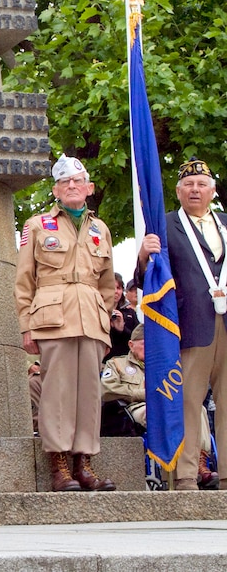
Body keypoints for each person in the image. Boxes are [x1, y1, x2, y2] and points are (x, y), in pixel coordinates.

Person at [15, 154, 117, 492]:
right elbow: (24, 280)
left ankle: (84, 462)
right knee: (56, 391)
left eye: (77, 181)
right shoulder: (38, 225)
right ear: (56, 191)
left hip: (90, 316)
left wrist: (103, 320)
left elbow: (106, 285)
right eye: (64, 183)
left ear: (88, 188)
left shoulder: (101, 229)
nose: (71, 187)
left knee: (89, 391)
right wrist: (26, 324)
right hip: (52, 316)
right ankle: (58, 464)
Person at [136, 157, 227, 491]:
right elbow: (150, 278)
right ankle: (186, 476)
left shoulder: (226, 224)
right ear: (178, 191)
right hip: (189, 325)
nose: (195, 189)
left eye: (202, 184)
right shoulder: (167, 225)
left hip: (225, 322)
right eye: (188, 184)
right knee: (188, 401)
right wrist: (144, 256)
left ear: (212, 191)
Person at [100, 325, 219, 488]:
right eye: (143, 343)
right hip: (138, 407)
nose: (148, 347)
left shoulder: (164, 366)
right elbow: (107, 390)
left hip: (168, 404)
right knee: (160, 412)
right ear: (131, 344)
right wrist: (143, 394)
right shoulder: (117, 364)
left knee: (198, 410)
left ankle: (200, 461)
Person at [106, 271, 139, 361]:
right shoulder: (96, 311)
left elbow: (137, 339)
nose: (116, 292)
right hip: (103, 361)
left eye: (119, 288)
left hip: (126, 362)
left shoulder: (130, 313)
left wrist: (122, 329)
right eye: (112, 288)